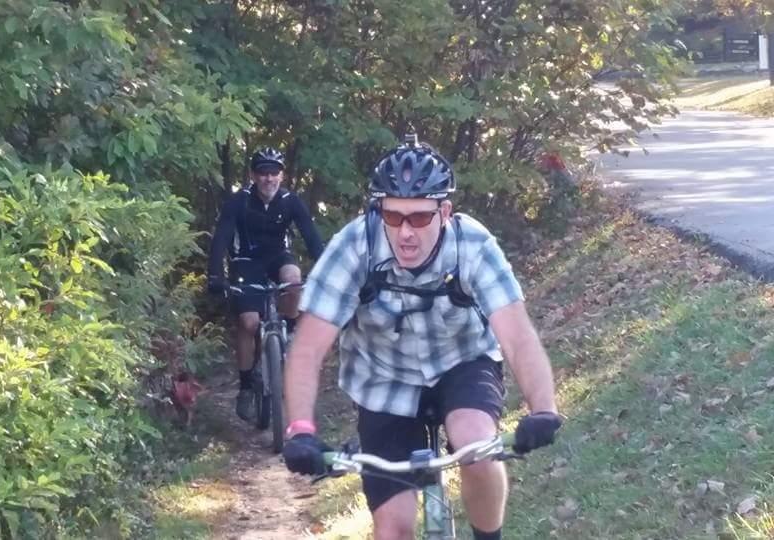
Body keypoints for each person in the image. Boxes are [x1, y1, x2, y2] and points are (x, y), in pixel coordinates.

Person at [280, 135, 562, 540]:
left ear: (445, 212)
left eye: (419, 218)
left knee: (476, 445)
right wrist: (301, 430)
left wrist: (543, 409)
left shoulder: (473, 245)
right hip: (382, 381)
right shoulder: (354, 246)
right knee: (392, 531)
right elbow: (307, 349)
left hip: (462, 362)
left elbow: (517, 336)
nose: (405, 232)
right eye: (393, 217)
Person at [207, 147, 325, 423]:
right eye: (262, 172)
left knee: (294, 279)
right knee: (248, 322)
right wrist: (214, 276)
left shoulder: (290, 201)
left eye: (274, 172)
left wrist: (326, 267)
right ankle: (247, 385)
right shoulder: (238, 202)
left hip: (276, 258)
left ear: (281, 175)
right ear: (252, 175)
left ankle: (290, 330)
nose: (268, 178)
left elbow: (311, 237)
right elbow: (221, 239)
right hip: (245, 261)